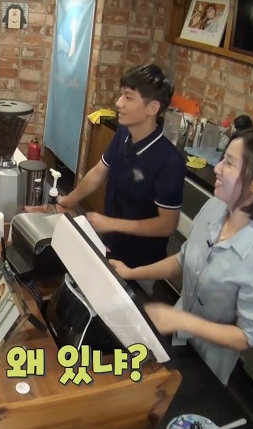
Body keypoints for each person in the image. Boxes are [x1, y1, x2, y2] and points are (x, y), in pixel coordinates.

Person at [110, 129, 253, 385]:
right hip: (173, 337)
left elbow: (245, 336)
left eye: (229, 163)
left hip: (207, 364)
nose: (217, 168)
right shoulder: (215, 207)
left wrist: (182, 320)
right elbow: (184, 260)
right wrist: (131, 272)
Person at [59, 63, 185, 296]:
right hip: (109, 245)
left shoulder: (169, 161)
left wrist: (111, 223)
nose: (118, 103)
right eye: (121, 95)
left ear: (153, 108)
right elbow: (99, 172)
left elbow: (167, 225)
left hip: (139, 266)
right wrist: (68, 200)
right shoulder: (124, 133)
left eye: (128, 97)